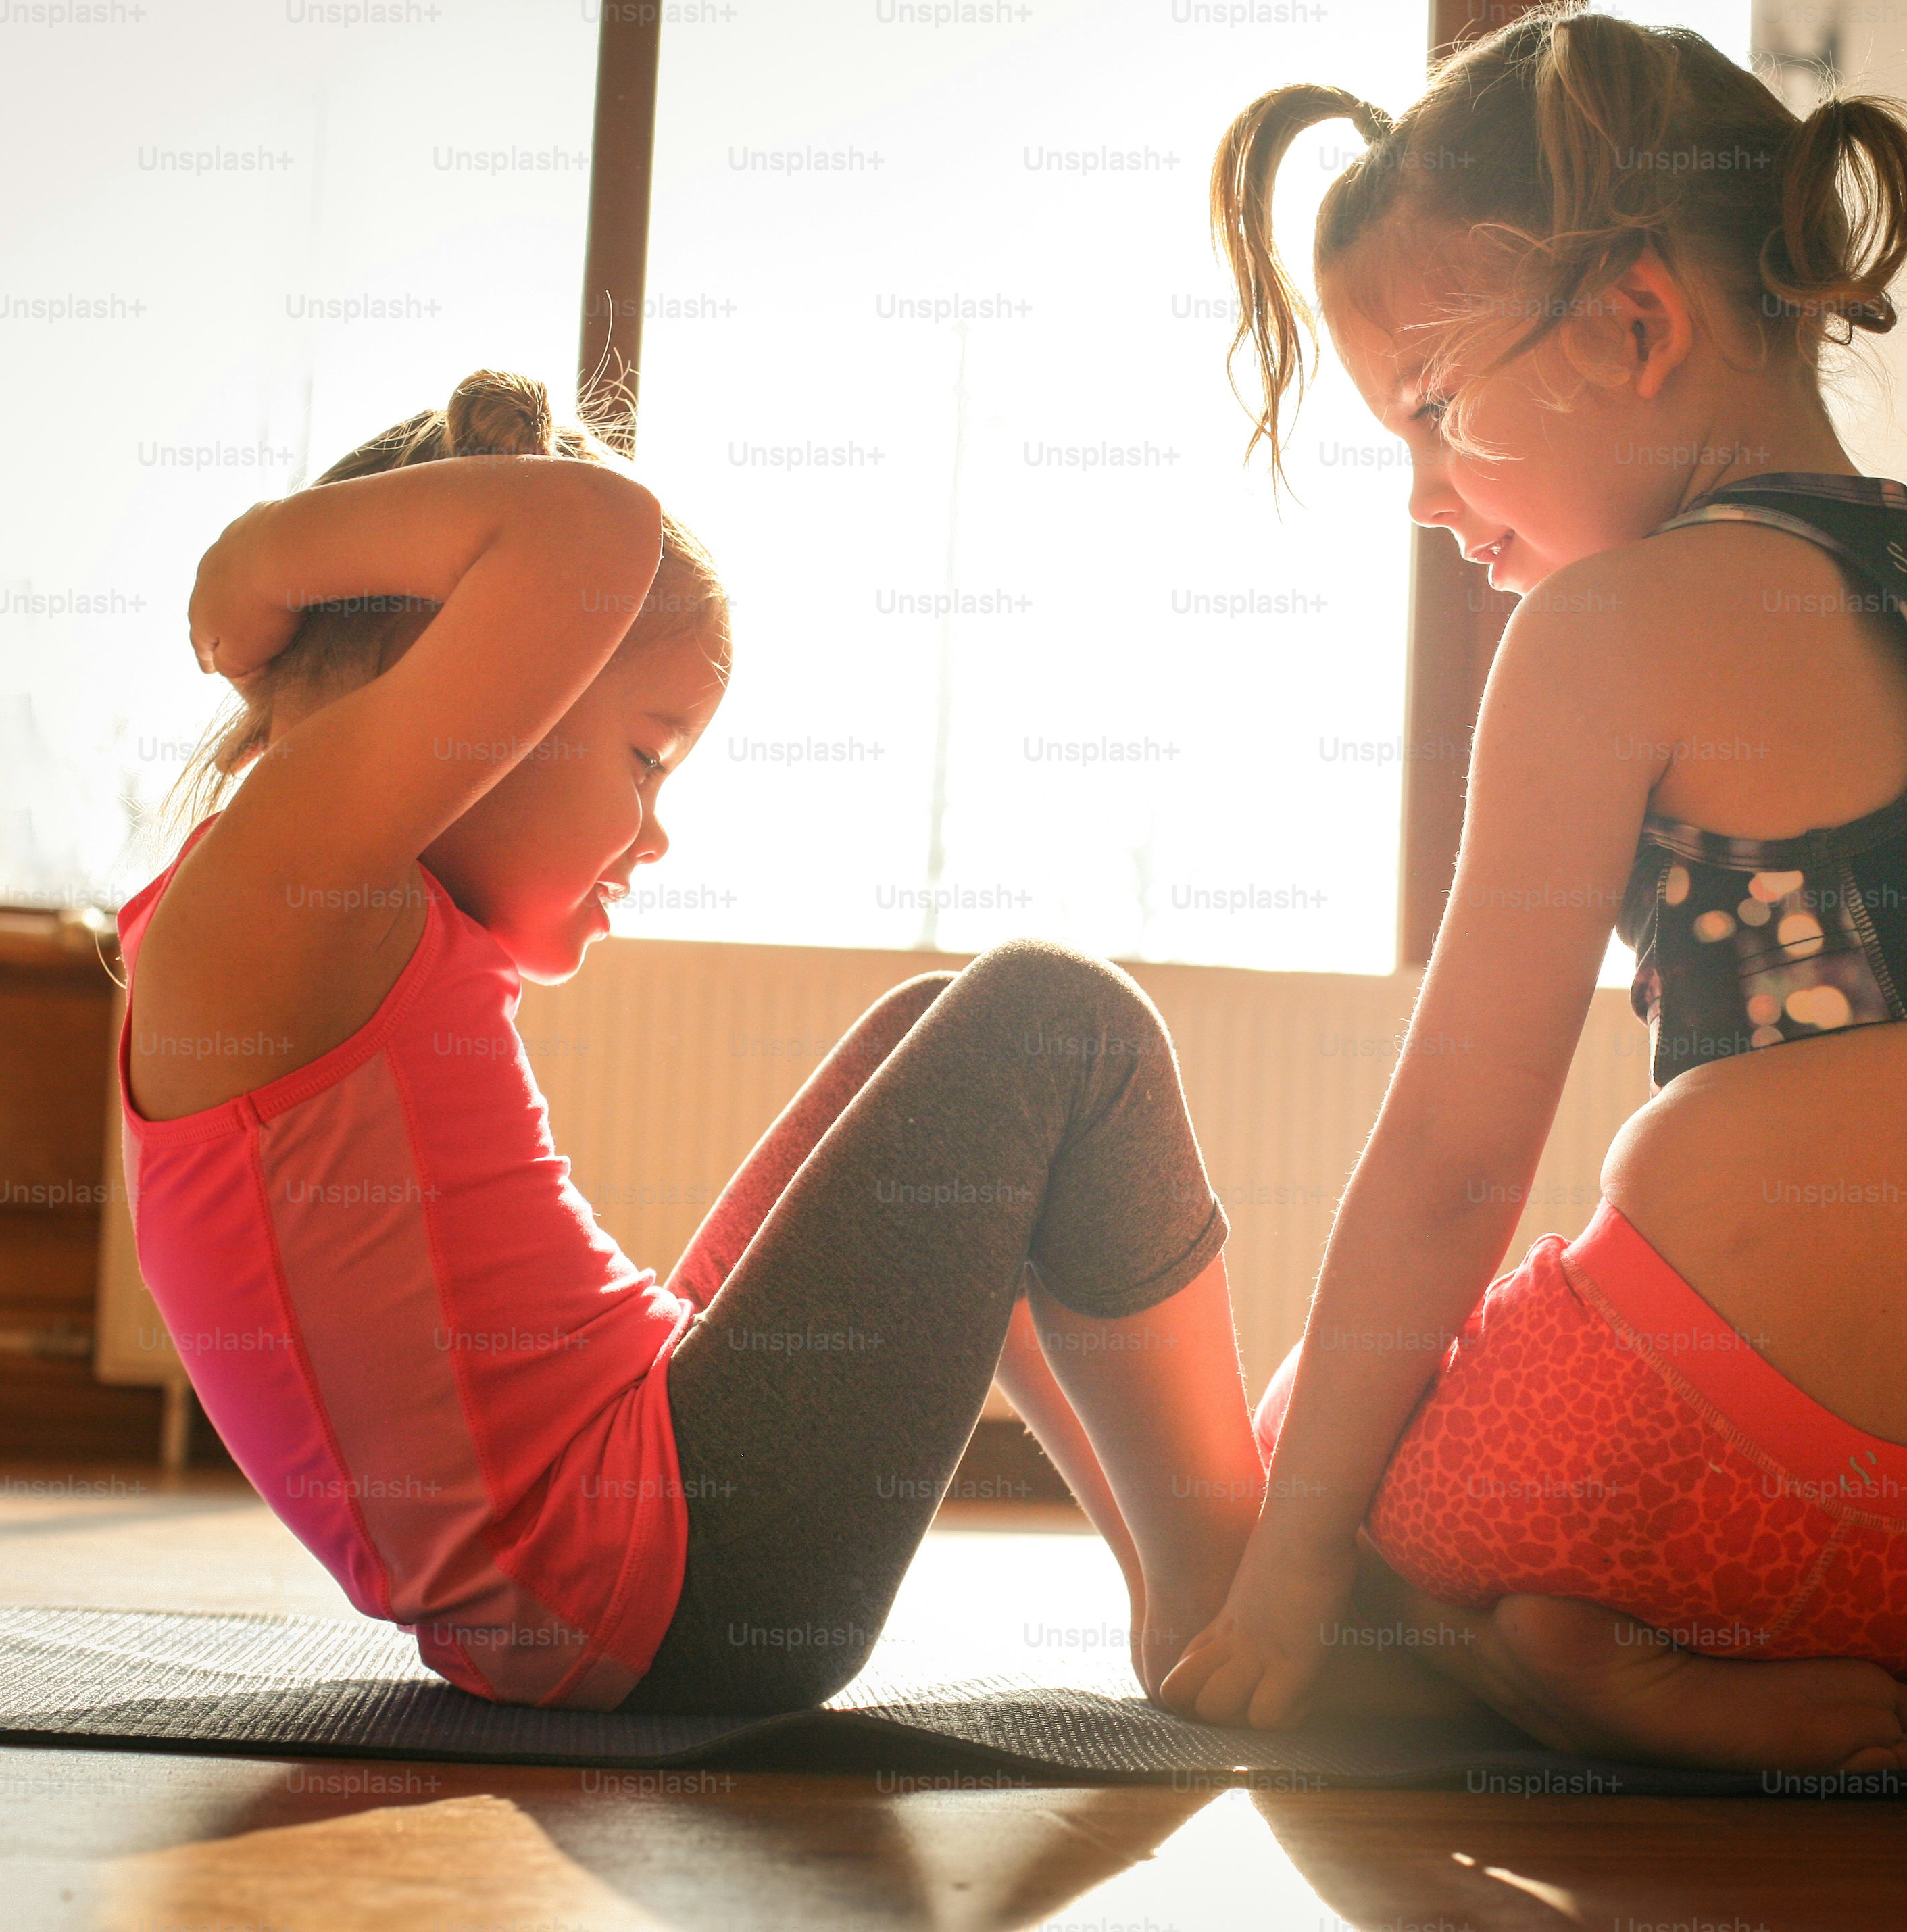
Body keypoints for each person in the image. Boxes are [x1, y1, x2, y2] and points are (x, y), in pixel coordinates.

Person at [1160, 5, 1907, 1781]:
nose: (1420, 493)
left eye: (1432, 409)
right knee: (1871, 1497)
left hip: (1672, 1476)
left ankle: (1565, 1658)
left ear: (1637, 324)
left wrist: (1283, 1584)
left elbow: (1449, 1164)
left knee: (1297, 1463)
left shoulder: (1602, 629)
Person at [118, 370, 1262, 1713]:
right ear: (477, 689)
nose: (655, 833)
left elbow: (581, 547)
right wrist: (259, 553)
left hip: (635, 1548)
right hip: (683, 1571)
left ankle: (1193, 1582)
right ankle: (1247, 1570)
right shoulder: (279, 894)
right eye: (648, 758)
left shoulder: (293, 913)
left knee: (931, 1027)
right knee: (1064, 1025)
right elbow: (597, 534)